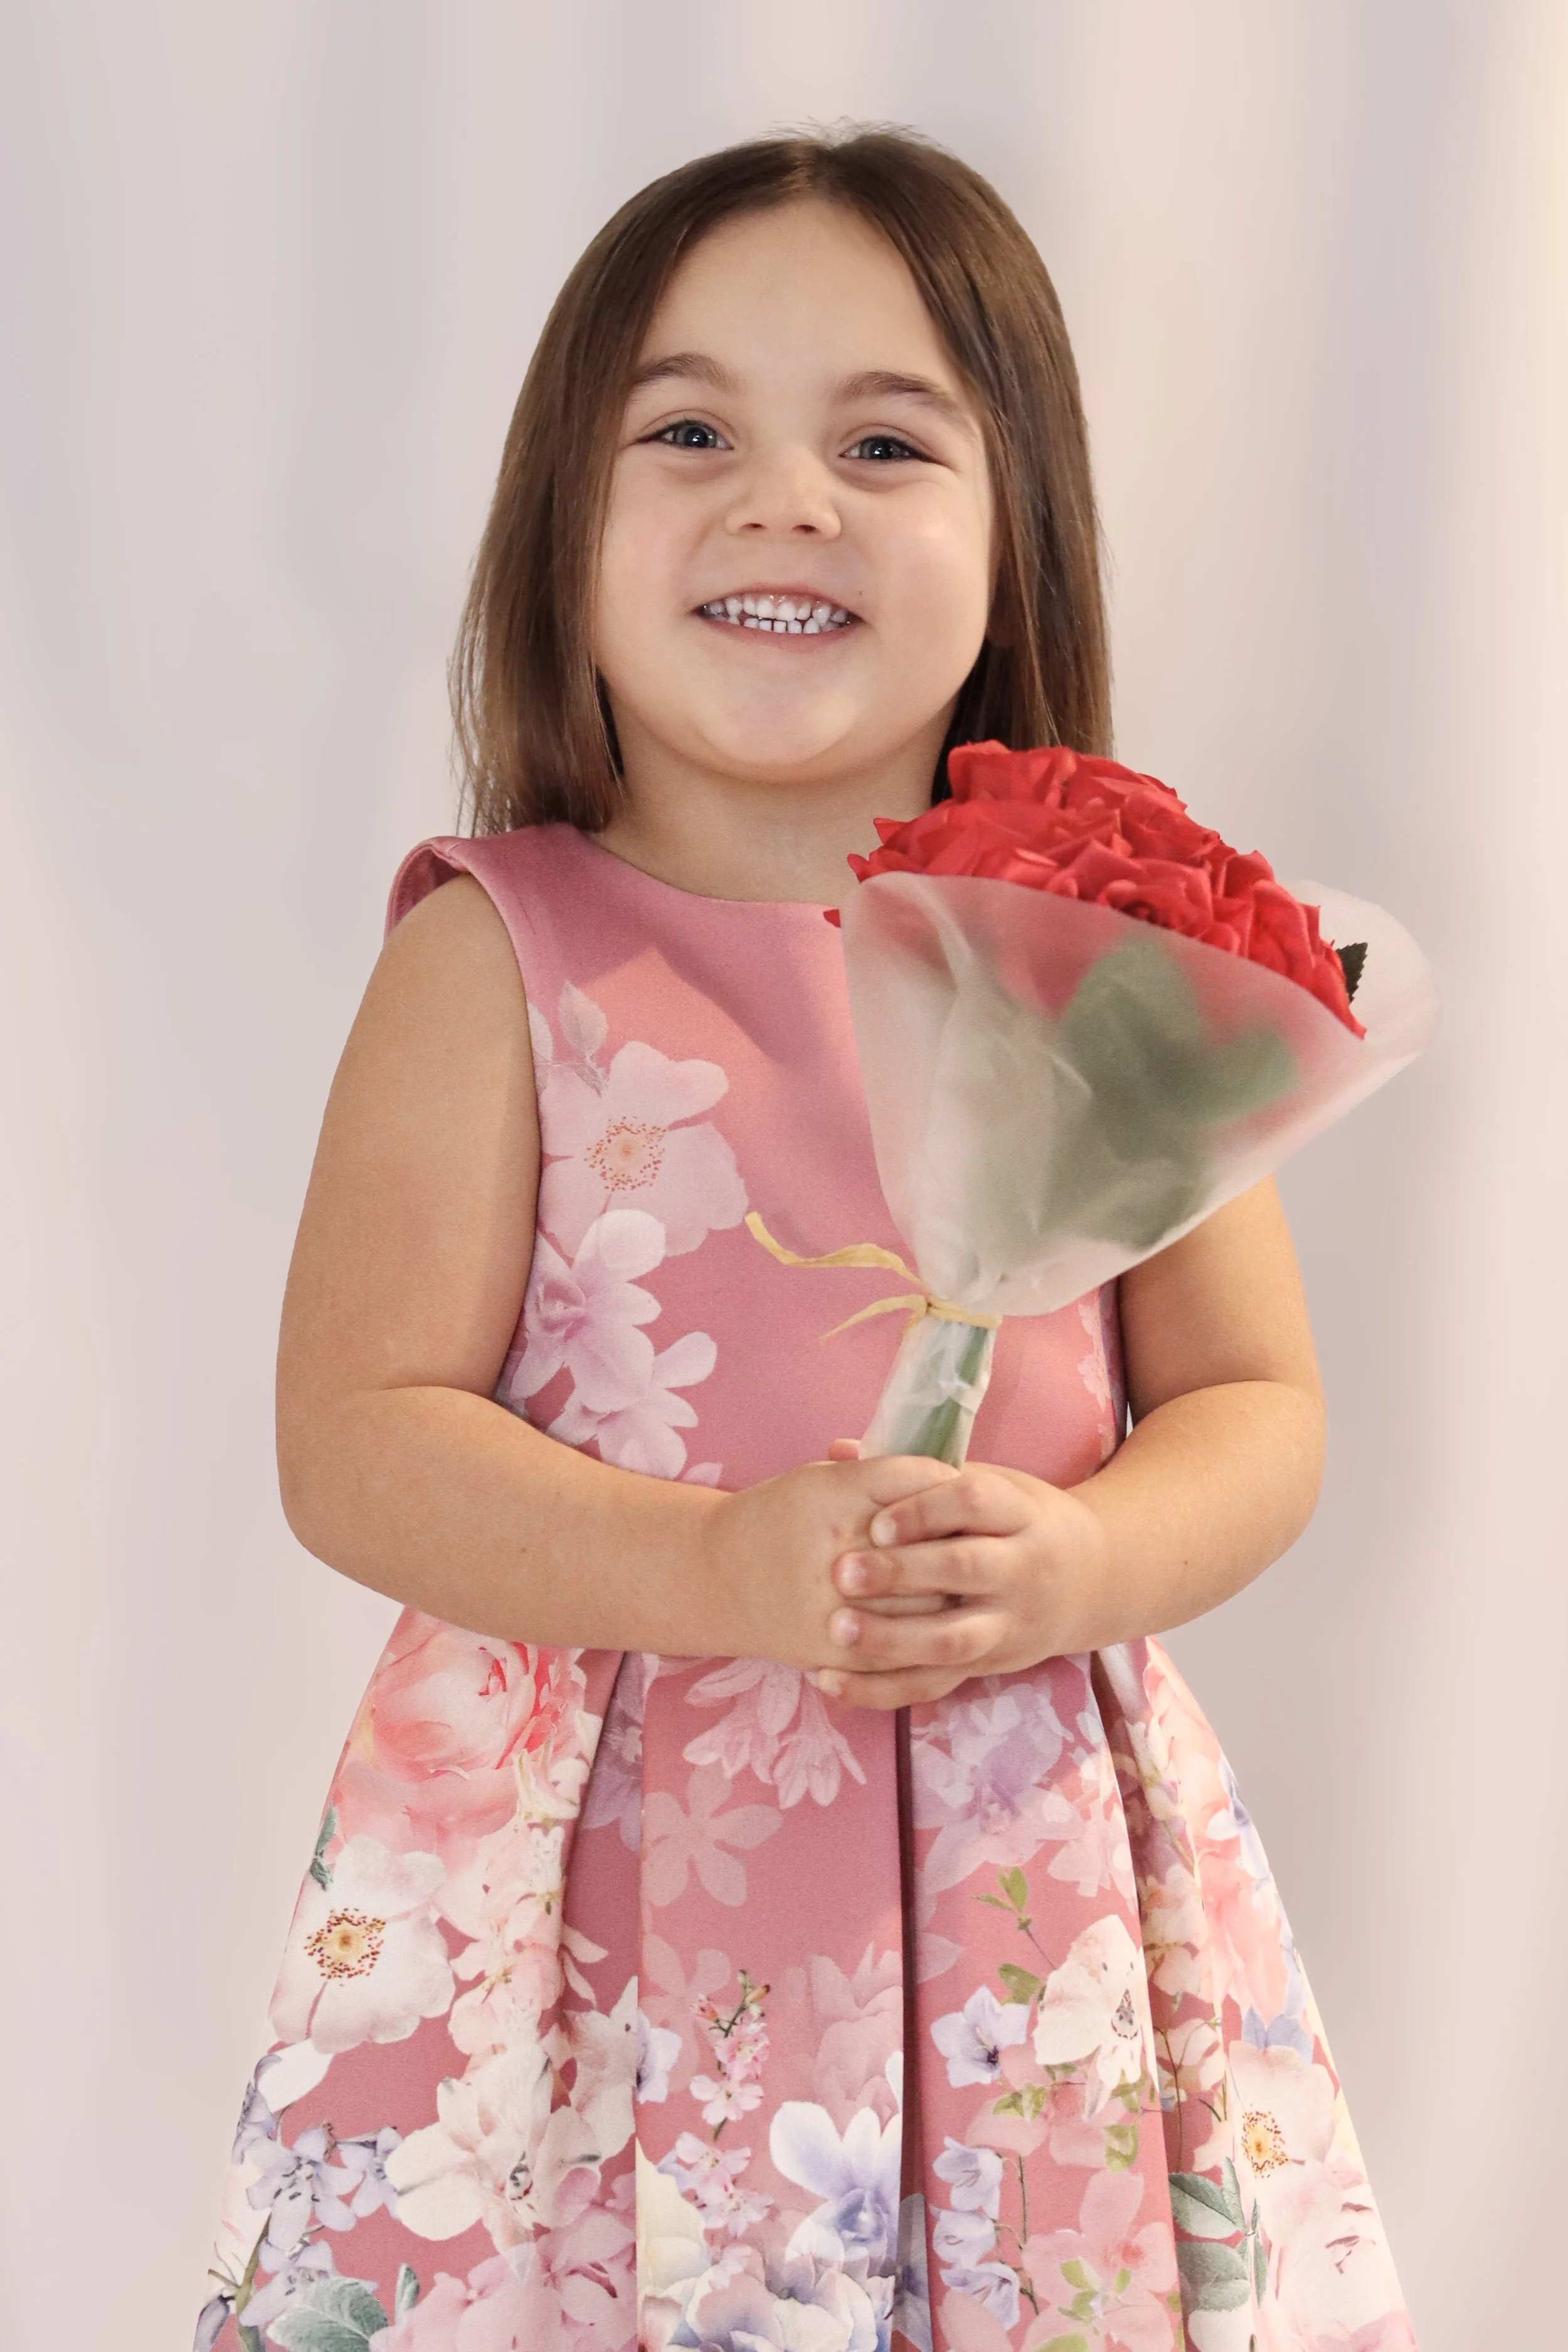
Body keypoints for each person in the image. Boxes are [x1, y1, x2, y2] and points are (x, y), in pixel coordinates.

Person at [196, 128, 1416, 2352]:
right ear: (557, 524)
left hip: (1015, 1896)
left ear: (1010, 528)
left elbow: (1254, 1404)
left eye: (882, 438)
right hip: (598, 1917)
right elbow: (354, 1433)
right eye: (688, 432)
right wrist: (709, 1568)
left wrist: (1085, 1563)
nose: (785, 498)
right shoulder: (506, 953)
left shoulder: (1102, 968)